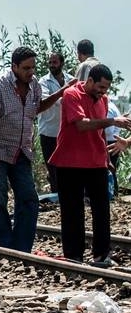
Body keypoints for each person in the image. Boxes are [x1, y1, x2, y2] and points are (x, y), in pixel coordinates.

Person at [0, 47, 74, 252]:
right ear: (14, 67)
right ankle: (2, 246)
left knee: (29, 198)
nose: (30, 72)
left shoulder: (34, 86)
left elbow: (36, 107)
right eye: (26, 68)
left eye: (33, 67)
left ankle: (21, 248)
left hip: (21, 150)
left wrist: (61, 92)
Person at [50, 65, 130, 265]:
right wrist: (112, 121)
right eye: (101, 86)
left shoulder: (103, 100)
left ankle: (101, 254)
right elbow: (81, 125)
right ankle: (73, 255)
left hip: (95, 162)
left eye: (106, 88)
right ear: (91, 81)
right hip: (69, 162)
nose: (103, 91)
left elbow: (99, 132)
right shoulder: (71, 94)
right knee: (72, 210)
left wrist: (105, 158)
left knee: (102, 210)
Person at [37, 52, 74, 193]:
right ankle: (56, 195)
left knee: (68, 165)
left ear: (62, 63)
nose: (52, 65)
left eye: (55, 62)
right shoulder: (43, 82)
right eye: (50, 62)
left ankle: (67, 194)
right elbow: (47, 101)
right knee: (52, 166)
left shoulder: (71, 80)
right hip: (49, 131)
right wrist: (67, 97)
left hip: (67, 131)